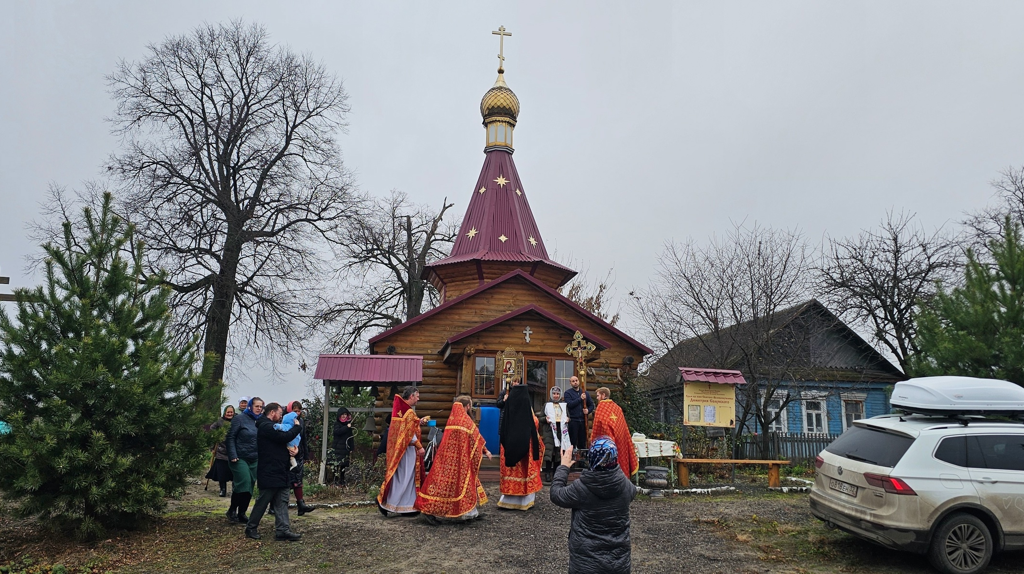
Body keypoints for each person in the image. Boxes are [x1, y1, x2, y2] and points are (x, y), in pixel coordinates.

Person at [550, 436, 638, 574]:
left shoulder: (582, 488)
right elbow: (632, 492)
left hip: (586, 564)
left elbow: (556, 494)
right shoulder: (626, 486)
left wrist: (563, 467)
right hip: (619, 563)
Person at [415, 396, 493, 523]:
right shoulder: (466, 420)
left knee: (442, 486)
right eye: (470, 405)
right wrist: (486, 451)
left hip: (445, 460)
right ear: (467, 406)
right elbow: (476, 437)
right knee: (462, 485)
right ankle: (435, 510)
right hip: (461, 461)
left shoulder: (452, 420)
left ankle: (469, 513)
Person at [244, 402, 303, 541]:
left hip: (281, 470)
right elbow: (283, 437)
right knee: (263, 501)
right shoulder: (266, 426)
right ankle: (251, 527)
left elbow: (285, 442)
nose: (281, 417)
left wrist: (295, 451)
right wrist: (297, 428)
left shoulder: (273, 426)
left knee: (282, 500)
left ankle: (283, 530)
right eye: (280, 414)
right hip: (269, 471)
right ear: (272, 413)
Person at [377, 386, 429, 516]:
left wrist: (419, 421)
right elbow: (409, 434)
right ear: (411, 396)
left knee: (404, 477)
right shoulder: (408, 412)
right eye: (417, 396)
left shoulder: (402, 409)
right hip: (407, 450)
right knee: (405, 477)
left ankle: (406, 507)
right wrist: (420, 447)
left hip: (400, 450)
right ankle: (389, 504)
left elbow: (407, 427)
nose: (418, 399)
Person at [497, 382, 544, 510]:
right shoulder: (526, 408)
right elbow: (534, 423)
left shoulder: (509, 408)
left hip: (509, 448)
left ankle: (507, 500)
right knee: (524, 472)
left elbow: (504, 427)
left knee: (511, 473)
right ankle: (524, 501)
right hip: (526, 449)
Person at [225, 396, 263, 524]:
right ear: (250, 406)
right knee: (243, 483)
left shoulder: (260, 421)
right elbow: (230, 437)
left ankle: (242, 512)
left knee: (250, 486)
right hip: (239, 457)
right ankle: (232, 510)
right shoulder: (239, 419)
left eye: (261, 407)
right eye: (257, 406)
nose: (259, 409)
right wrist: (232, 454)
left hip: (254, 458)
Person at [590, 388, 639, 478]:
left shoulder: (601, 408)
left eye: (598, 396)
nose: (597, 398)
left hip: (608, 445)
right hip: (621, 441)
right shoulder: (617, 408)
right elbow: (623, 427)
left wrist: (594, 441)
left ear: (603, 395)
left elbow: (599, 427)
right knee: (621, 461)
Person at [285, 401, 316, 516]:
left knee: (298, 480)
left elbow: (303, 439)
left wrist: (306, 455)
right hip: (287, 453)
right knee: (286, 481)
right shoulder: (285, 421)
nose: (297, 413)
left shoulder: (301, 421)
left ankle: (301, 505)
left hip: (299, 453)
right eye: (295, 411)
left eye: (299, 411)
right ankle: (277, 505)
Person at [541, 386, 571, 483]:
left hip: (560, 431)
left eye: (557, 394)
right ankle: (547, 473)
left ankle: (556, 473)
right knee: (549, 452)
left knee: (558, 452)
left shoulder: (563, 406)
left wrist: (567, 420)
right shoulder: (547, 405)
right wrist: (545, 419)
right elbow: (540, 417)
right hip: (549, 431)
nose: (555, 395)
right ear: (551, 394)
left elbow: (568, 416)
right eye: (554, 393)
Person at [206, 405, 235, 497]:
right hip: (221, 449)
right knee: (222, 472)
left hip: (234, 449)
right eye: (228, 412)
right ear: (225, 413)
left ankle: (235, 489)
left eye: (231, 412)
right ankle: (223, 489)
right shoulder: (220, 421)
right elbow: (211, 429)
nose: (230, 414)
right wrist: (217, 436)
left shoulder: (237, 420)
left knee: (235, 471)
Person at [563, 376, 595, 451]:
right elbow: (569, 404)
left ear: (579, 381)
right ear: (570, 383)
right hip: (573, 420)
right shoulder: (568, 393)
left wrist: (588, 410)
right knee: (572, 441)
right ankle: (571, 460)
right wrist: (580, 399)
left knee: (582, 442)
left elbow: (591, 405)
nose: (575, 382)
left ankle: (581, 461)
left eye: (576, 380)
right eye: (573, 381)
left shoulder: (585, 393)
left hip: (583, 421)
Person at [331, 406, 354, 485]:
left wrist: (351, 448)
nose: (344, 416)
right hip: (337, 448)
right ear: (339, 415)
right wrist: (346, 428)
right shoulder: (337, 424)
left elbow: (351, 437)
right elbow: (337, 432)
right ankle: (335, 480)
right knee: (337, 464)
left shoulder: (348, 425)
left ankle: (342, 480)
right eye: (342, 414)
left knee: (343, 465)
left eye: (345, 414)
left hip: (345, 447)